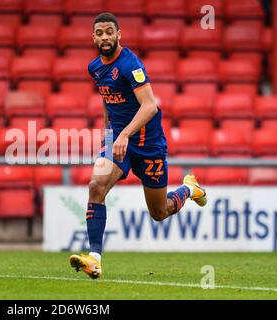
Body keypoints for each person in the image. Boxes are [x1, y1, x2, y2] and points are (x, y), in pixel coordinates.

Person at [69, 12, 207, 279]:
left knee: (159, 212)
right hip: (118, 141)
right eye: (100, 33)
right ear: (93, 37)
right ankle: (94, 259)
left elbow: (150, 106)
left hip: (148, 145)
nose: (105, 37)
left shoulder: (131, 65)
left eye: (110, 31)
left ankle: (190, 188)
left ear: (119, 34)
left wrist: (124, 135)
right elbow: (107, 98)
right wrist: (109, 134)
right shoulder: (95, 67)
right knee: (96, 185)